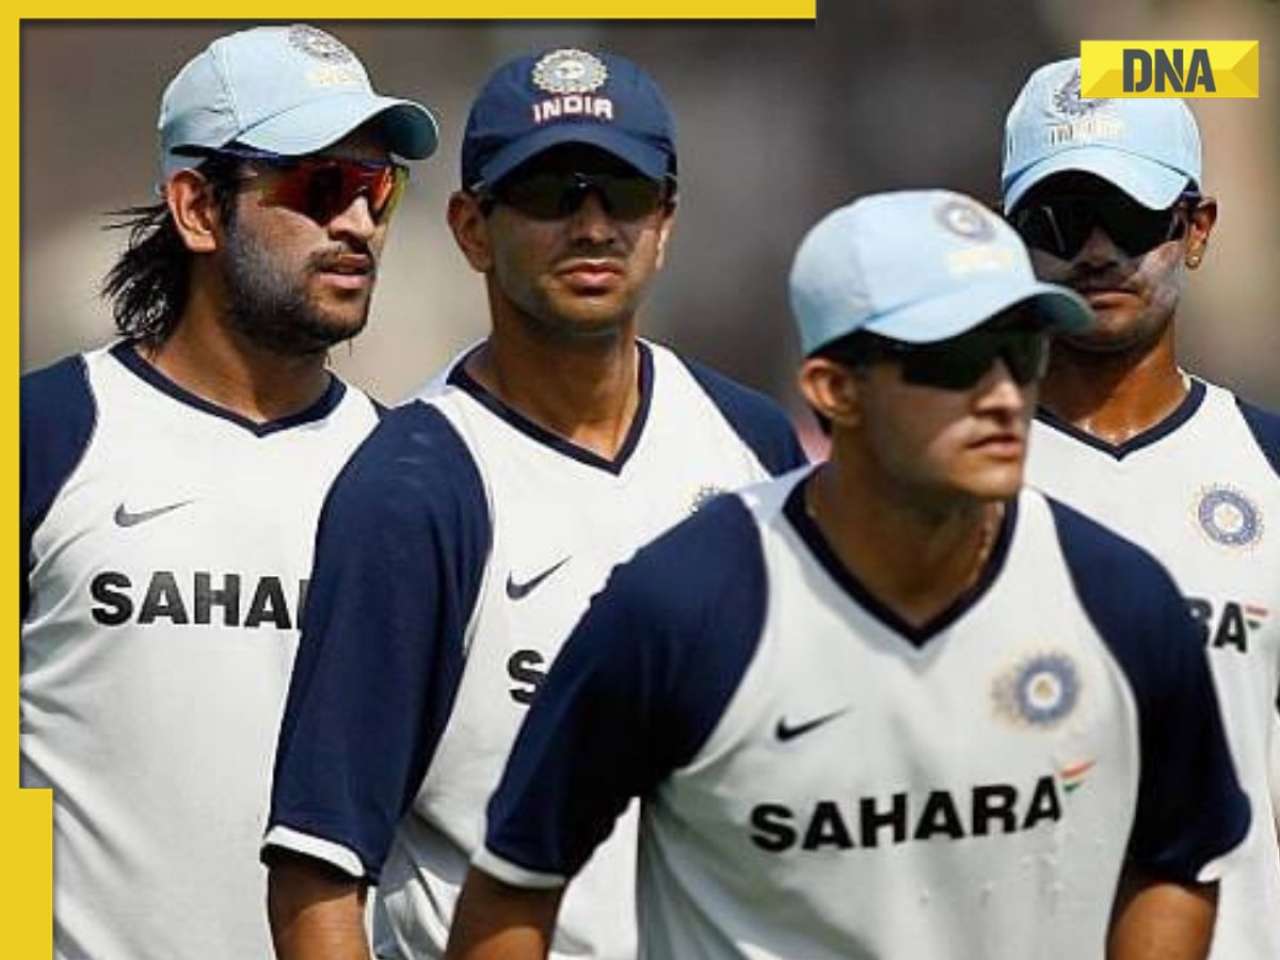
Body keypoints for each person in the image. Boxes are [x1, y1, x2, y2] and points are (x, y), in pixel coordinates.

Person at [445, 190, 1250, 960]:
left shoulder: (1117, 598)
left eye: (1020, 352)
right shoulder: (683, 608)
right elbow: (514, 892)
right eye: (956, 361)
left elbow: (1181, 858)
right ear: (834, 389)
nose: (1004, 396)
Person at [262, 47, 807, 960]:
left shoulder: (752, 442)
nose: (592, 226)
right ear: (473, 228)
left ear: (665, 222)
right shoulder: (413, 487)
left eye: (623, 193)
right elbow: (318, 873)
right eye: (551, 193)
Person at [19, 24, 437, 960]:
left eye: (379, 189)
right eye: (322, 186)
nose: (359, 225)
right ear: (198, 209)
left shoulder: (414, 474)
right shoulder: (45, 438)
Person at [1000, 57, 1280, 959]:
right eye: (1059, 219)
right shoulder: (947, 483)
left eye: (1128, 215)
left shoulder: (1269, 470)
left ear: (1195, 228)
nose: (1095, 252)